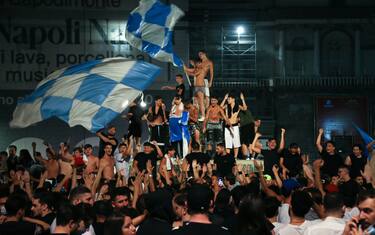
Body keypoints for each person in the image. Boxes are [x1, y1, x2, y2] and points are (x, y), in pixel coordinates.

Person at [184, 50, 214, 121]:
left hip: (203, 81)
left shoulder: (209, 62)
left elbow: (211, 73)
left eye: (201, 54)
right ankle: (198, 115)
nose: (200, 55)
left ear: (204, 54)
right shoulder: (199, 64)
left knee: (204, 99)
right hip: (197, 82)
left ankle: (204, 115)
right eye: (199, 54)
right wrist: (187, 68)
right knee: (196, 100)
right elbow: (195, 70)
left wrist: (210, 81)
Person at [221, 93, 245, 159]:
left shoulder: (238, 106)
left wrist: (243, 99)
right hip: (227, 127)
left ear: (233, 99)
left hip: (235, 126)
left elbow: (245, 108)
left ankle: (235, 157)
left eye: (229, 99)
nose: (228, 100)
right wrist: (224, 99)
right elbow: (220, 108)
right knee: (228, 144)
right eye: (228, 99)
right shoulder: (226, 106)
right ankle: (228, 157)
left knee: (236, 143)